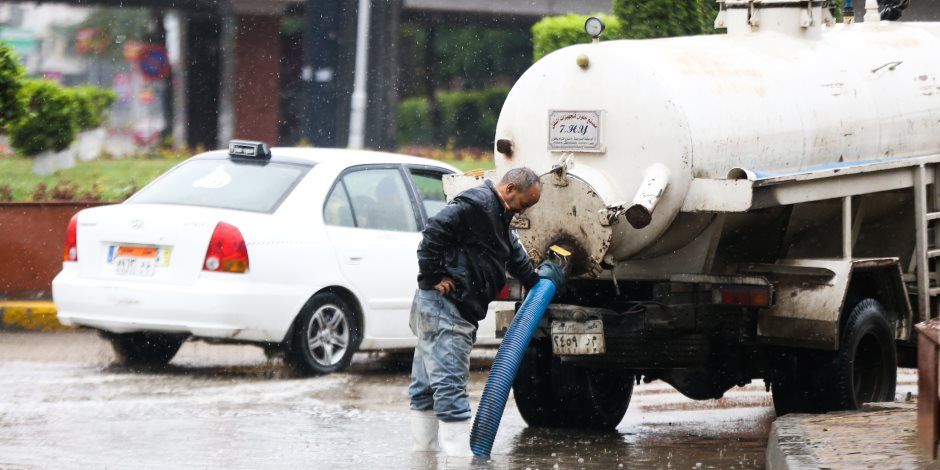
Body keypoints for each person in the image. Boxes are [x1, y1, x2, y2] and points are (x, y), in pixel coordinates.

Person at [408, 167, 555, 457]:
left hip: (439, 308)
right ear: (510, 188)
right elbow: (433, 232)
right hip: (447, 308)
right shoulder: (477, 205)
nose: (525, 210)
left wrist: (535, 282)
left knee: (426, 388)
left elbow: (512, 253)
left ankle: (422, 458)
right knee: (450, 390)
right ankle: (458, 460)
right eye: (525, 202)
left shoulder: (499, 215)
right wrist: (432, 276)